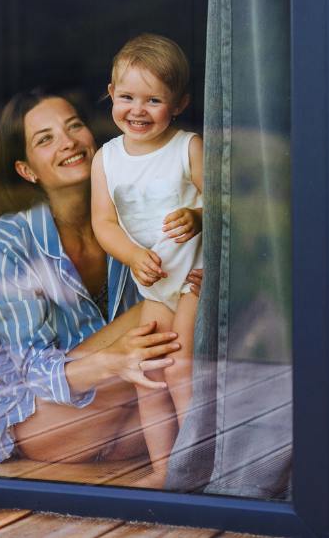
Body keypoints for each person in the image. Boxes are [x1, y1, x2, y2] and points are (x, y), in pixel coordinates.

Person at [0, 90, 197, 488]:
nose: (67, 142)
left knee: (172, 320)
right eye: (44, 139)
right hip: (56, 421)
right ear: (27, 170)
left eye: (74, 126)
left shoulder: (139, 210)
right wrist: (115, 361)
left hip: (138, 411)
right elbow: (31, 368)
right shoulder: (12, 238)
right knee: (160, 310)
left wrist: (198, 279)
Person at [91, 34, 203, 482]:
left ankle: (198, 467)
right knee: (150, 372)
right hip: (155, 283)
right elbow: (104, 224)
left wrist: (198, 216)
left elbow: (227, 204)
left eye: (153, 99)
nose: (137, 110)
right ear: (111, 94)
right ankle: (163, 470)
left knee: (181, 369)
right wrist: (133, 255)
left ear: (178, 104)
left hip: (197, 276)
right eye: (127, 97)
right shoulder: (107, 159)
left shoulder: (186, 147)